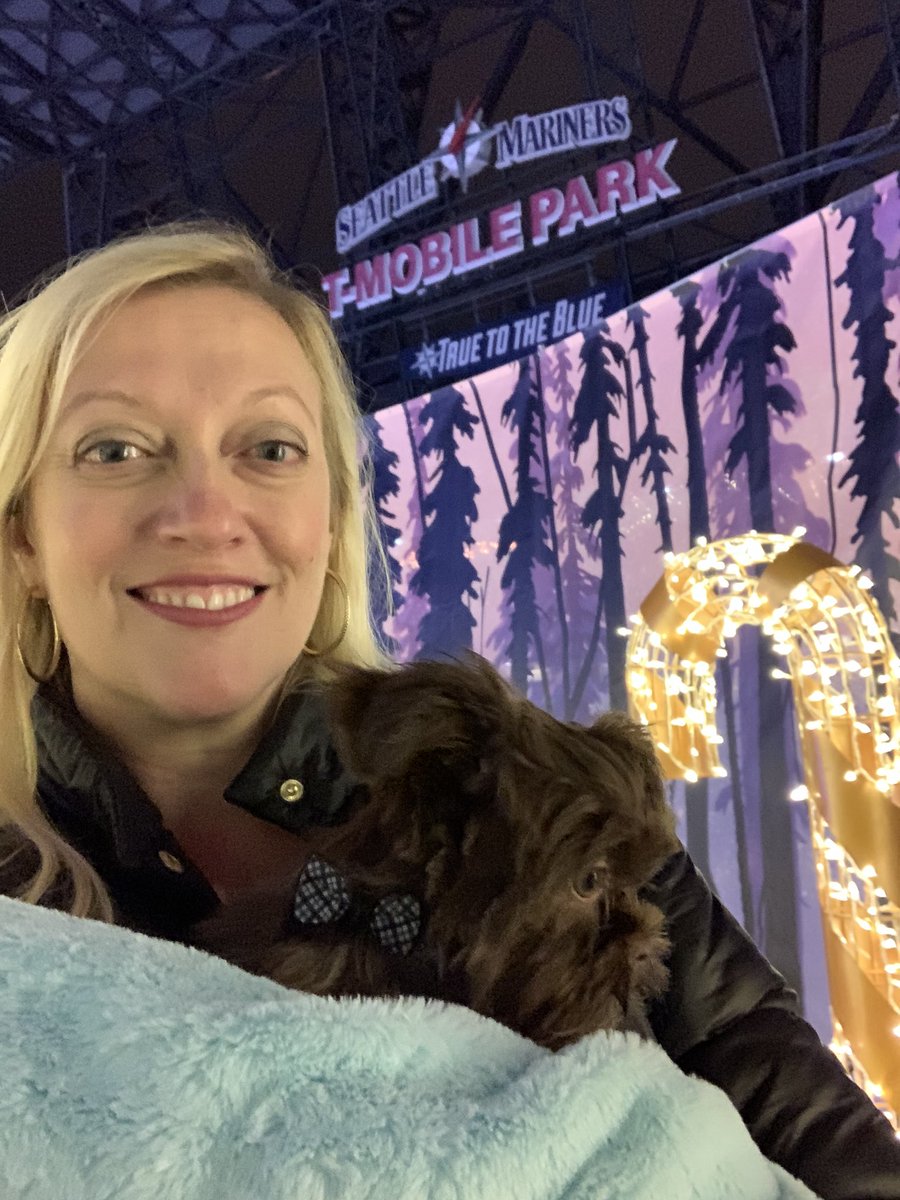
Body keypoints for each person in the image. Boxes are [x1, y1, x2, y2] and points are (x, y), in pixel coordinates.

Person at [0, 223, 896, 1200]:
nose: (206, 514)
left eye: (269, 447)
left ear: (331, 522)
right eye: (116, 449)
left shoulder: (542, 789)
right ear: (22, 537)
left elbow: (773, 1082)